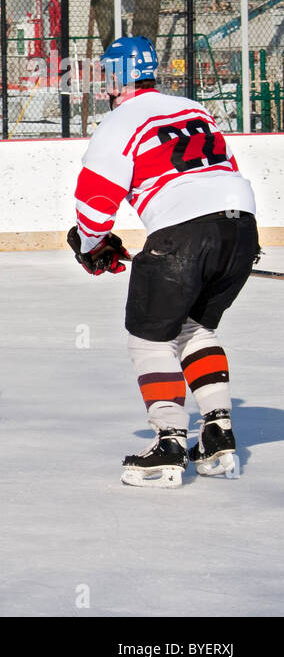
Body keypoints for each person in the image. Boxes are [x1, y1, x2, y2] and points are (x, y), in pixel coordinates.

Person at [69, 35, 258, 488]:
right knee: (194, 328)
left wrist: (90, 244)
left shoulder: (119, 121)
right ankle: (217, 436)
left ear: (115, 78)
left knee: (150, 339)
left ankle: (170, 444)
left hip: (183, 235)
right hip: (242, 227)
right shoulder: (192, 108)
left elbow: (95, 203)